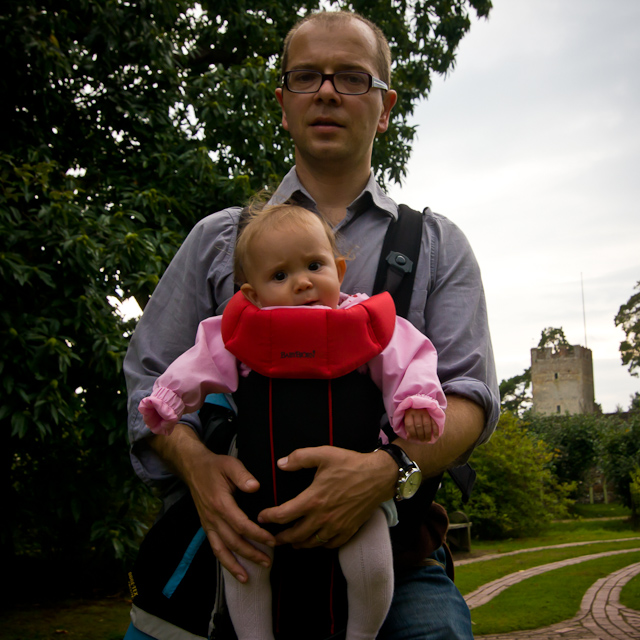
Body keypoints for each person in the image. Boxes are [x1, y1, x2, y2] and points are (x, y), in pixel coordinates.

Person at [124, 9, 500, 640]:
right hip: (237, 547)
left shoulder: (437, 245)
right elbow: (150, 380)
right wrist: (196, 467)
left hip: (394, 556)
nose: (327, 90)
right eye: (307, 76)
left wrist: (387, 470)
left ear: (384, 108)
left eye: (352, 77)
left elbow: (469, 396)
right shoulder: (218, 241)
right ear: (283, 103)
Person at [138, 203, 447, 640]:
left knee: (373, 565)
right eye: (280, 276)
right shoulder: (242, 333)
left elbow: (409, 358)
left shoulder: (363, 323)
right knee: (245, 568)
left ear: (339, 270)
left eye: (315, 265)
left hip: (353, 490)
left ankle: (360, 637)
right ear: (252, 295)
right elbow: (198, 363)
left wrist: (416, 400)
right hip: (260, 488)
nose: (302, 282)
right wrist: (169, 399)